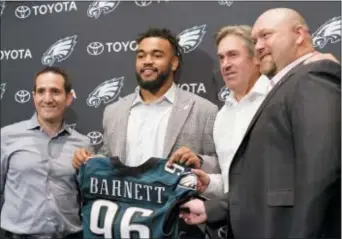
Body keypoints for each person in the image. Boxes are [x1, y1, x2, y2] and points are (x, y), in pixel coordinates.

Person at [180, 8, 341, 238]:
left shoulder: (312, 77)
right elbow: (263, 182)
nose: (259, 46)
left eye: (266, 35)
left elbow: (321, 173)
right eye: (255, 40)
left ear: (299, 34)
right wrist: (212, 208)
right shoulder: (228, 111)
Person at [72, 28, 220, 177]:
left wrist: (199, 160)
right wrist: (89, 160)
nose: (147, 61)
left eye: (157, 55)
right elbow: (108, 159)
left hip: (177, 200)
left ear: (174, 63)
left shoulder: (203, 110)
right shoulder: (114, 112)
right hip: (123, 200)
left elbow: (219, 164)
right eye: (141, 56)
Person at [0, 67, 91, 239]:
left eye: (55, 92)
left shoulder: (83, 144)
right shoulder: (6, 137)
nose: (47, 99)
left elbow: (88, 196)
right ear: (34, 97)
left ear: (69, 98)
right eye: (41, 91)